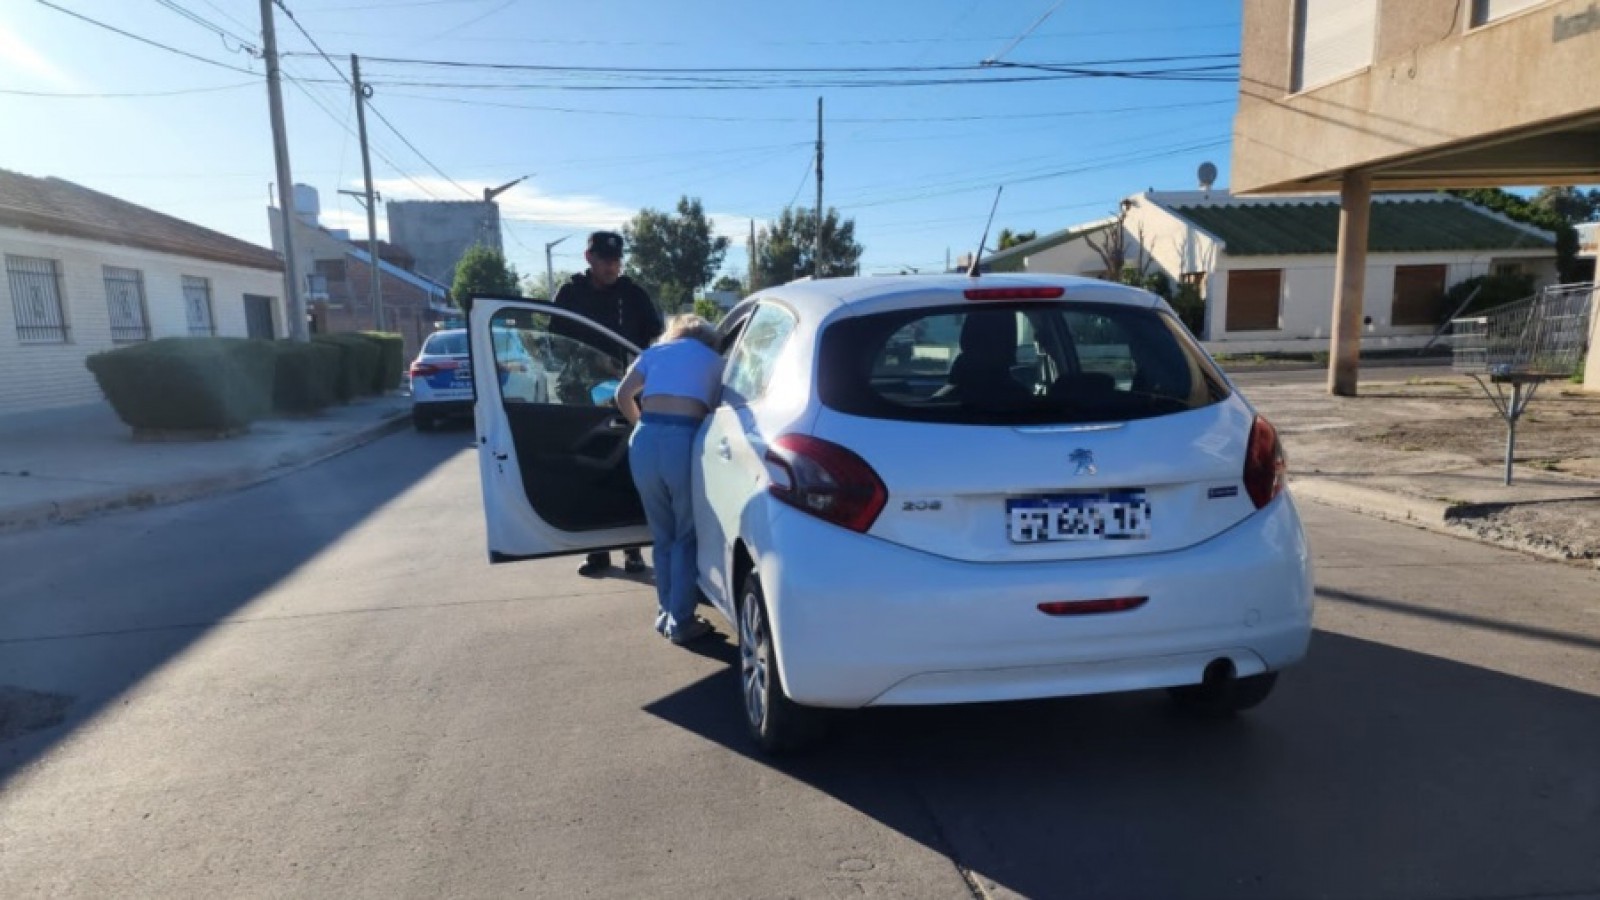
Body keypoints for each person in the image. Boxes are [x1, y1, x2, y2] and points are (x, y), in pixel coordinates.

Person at [552, 230, 664, 577]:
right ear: (589, 258)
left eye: (617, 260)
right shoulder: (570, 294)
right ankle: (596, 550)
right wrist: (588, 361)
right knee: (588, 470)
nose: (613, 266)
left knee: (629, 469)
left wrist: (630, 365)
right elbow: (555, 343)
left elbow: (655, 338)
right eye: (606, 260)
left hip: (627, 396)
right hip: (582, 395)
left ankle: (633, 549)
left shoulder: (633, 295)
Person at [614, 314, 723, 645]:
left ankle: (665, 612)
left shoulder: (654, 354)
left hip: (645, 439)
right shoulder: (717, 362)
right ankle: (682, 621)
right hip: (684, 440)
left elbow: (622, 395)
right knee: (685, 535)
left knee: (661, 535)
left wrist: (641, 425)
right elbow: (720, 410)